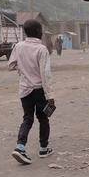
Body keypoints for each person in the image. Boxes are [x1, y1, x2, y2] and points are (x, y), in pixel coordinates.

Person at [9, 19, 55, 164]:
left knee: (27, 118)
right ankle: (43, 148)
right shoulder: (42, 49)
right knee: (43, 119)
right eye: (40, 30)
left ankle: (20, 146)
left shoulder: (18, 46)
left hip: (24, 90)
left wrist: (23, 70)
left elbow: (11, 65)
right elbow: (45, 74)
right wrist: (50, 95)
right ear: (37, 32)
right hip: (39, 90)